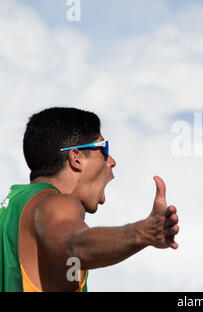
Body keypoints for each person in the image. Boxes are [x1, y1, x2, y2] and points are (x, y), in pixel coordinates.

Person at [0, 107, 179, 292]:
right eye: (103, 149)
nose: (112, 161)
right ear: (76, 158)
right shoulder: (58, 203)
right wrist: (144, 233)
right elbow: (72, 245)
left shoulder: (12, 209)